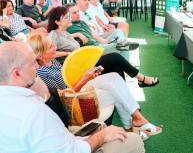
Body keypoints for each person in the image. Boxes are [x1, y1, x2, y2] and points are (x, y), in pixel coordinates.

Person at [0, 41, 145, 153]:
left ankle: (134, 120)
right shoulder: (34, 113)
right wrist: (102, 136)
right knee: (132, 141)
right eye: (32, 63)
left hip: (56, 143)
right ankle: (134, 126)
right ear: (16, 73)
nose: (36, 67)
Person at [27, 33, 162, 137]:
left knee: (115, 77)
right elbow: (65, 97)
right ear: (40, 54)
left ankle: (135, 121)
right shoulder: (42, 73)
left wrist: (86, 74)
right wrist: (85, 78)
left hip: (78, 88)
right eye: (51, 46)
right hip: (73, 103)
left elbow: (68, 79)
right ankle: (133, 124)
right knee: (115, 89)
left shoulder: (52, 61)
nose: (55, 47)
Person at [47, 6, 159, 87]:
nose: (70, 18)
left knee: (117, 66)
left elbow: (67, 41)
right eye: (67, 17)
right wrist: (68, 53)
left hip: (84, 61)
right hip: (77, 68)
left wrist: (76, 34)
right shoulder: (53, 34)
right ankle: (141, 78)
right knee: (115, 56)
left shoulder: (65, 33)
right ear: (57, 21)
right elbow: (48, 54)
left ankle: (125, 92)